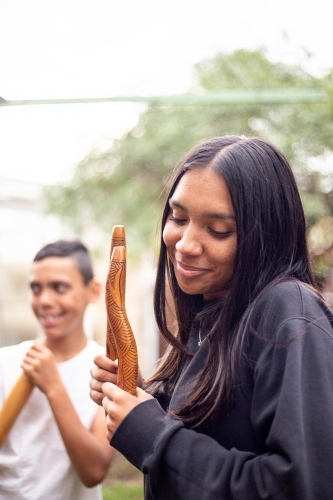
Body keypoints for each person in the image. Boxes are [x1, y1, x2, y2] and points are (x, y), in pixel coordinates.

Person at [90, 136, 333, 500]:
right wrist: (141, 401)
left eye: (218, 230)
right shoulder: (213, 309)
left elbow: (302, 486)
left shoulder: (288, 315)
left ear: (264, 235)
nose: (186, 243)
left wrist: (155, 438)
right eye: (178, 217)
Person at [0, 240, 114, 500]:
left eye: (59, 287)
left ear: (93, 291)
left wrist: (53, 386)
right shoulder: (5, 362)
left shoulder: (105, 370)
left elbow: (94, 471)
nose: (44, 301)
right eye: (35, 289)